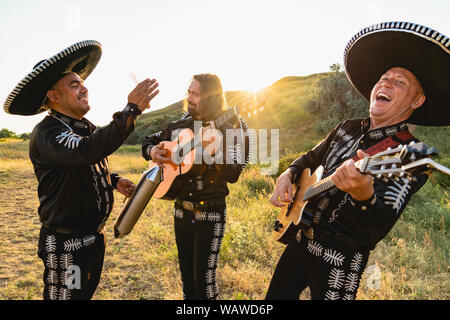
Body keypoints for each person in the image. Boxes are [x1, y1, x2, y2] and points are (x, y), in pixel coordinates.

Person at [266, 22, 449, 300]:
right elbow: (310, 158)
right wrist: (288, 174)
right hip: (299, 241)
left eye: (400, 82)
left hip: (340, 261)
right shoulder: (346, 127)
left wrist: (363, 194)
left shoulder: (413, 154)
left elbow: (375, 229)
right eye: (384, 77)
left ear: (417, 100)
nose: (386, 82)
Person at [3, 40, 159, 300]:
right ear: (53, 96)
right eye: (73, 85)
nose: (83, 88)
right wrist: (131, 109)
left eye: (82, 83)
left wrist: (114, 180)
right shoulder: (48, 132)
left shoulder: (82, 128)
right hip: (66, 247)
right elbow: (84, 152)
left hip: (93, 242)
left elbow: (85, 163)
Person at [141, 73, 250, 300]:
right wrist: (152, 151)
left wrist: (216, 153)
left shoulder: (231, 125)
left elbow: (235, 172)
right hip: (181, 212)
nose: (189, 98)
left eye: (195, 94)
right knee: (187, 281)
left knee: (205, 283)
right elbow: (148, 140)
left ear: (210, 97)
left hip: (210, 213)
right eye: (188, 92)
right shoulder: (182, 124)